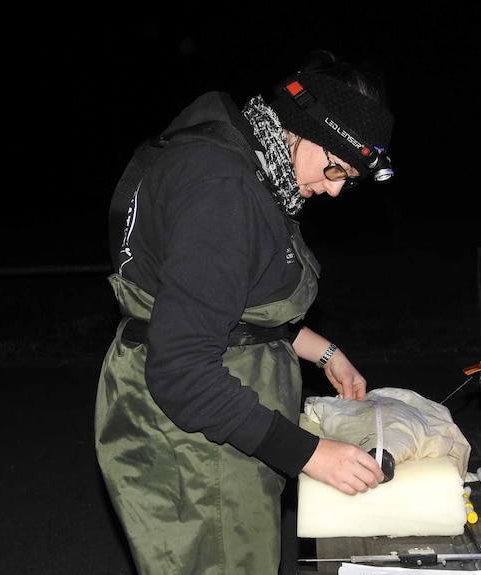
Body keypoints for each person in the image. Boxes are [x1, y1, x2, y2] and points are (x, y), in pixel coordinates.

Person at [94, 49, 394, 574]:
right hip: (196, 450)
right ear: (302, 127)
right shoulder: (223, 188)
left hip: (209, 432)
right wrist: (308, 453)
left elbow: (228, 309)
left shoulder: (246, 162)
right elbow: (182, 369)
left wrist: (322, 351)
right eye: (334, 167)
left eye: (350, 177)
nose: (336, 188)